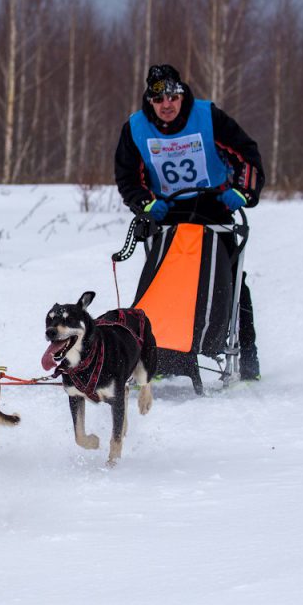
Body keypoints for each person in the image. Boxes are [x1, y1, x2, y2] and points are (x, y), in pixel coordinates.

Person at [114, 63, 264, 380]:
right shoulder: (136, 128)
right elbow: (127, 176)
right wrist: (143, 203)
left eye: (172, 97)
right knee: (162, 282)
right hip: (166, 211)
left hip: (214, 206)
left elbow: (246, 153)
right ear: (149, 101)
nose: (166, 105)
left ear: (181, 96)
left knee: (234, 279)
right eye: (159, 100)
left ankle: (247, 356)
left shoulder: (207, 116)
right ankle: (159, 354)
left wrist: (242, 191)